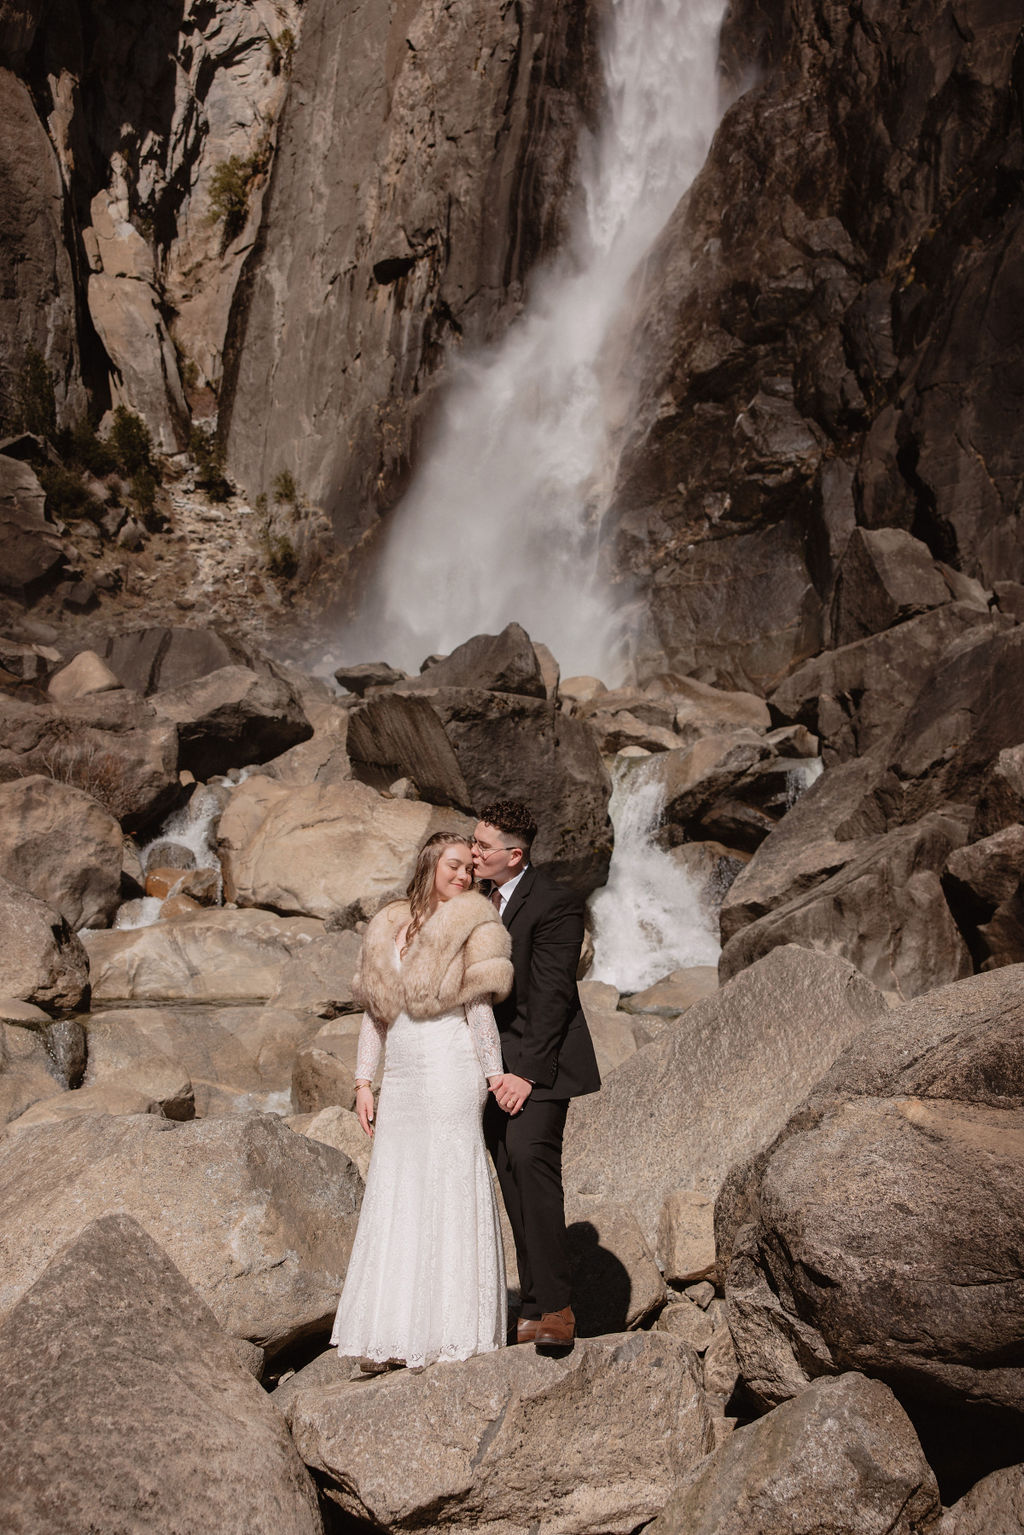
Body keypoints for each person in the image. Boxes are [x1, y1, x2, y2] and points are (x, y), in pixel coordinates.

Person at [330, 831, 514, 1372]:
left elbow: (479, 1011)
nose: (463, 876)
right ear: (430, 865)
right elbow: (375, 1015)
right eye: (453, 867)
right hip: (405, 1069)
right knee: (398, 1184)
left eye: (469, 870)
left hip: (451, 1063)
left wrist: (494, 1075)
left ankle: (451, 1330)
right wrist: (364, 1083)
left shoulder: (477, 925)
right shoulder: (388, 924)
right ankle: (392, 1332)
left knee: (448, 1178)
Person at [472, 800, 601, 1349]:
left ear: (514, 854)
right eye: (473, 841)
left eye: (483, 846)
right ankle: (529, 1302)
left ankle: (556, 1308)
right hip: (485, 1062)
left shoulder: (556, 902)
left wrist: (523, 1074)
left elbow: (552, 996)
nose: (473, 852)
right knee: (508, 1171)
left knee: (531, 1162)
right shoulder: (474, 900)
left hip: (539, 1064)